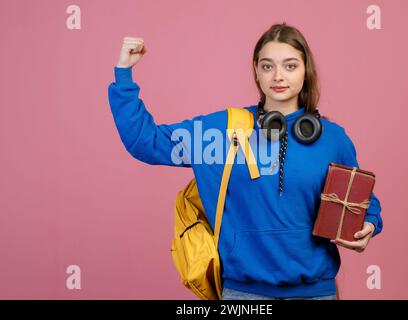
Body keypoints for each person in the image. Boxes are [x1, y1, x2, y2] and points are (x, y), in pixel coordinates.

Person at [107, 22, 383, 300]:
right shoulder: (224, 131)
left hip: (316, 293)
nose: (278, 76)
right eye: (267, 66)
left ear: (305, 71)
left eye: (290, 66)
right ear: (256, 71)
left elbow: (364, 202)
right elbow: (147, 141)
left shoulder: (333, 139)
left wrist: (369, 224)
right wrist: (124, 74)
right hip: (244, 294)